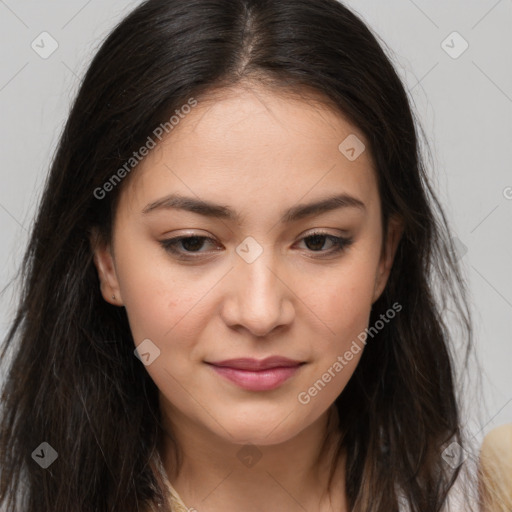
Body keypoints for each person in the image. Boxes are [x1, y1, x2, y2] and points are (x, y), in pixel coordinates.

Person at [0, 0, 482, 510]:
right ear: (106, 259)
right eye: (191, 242)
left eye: (319, 241)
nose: (260, 313)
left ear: (385, 255)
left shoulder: (491, 492)